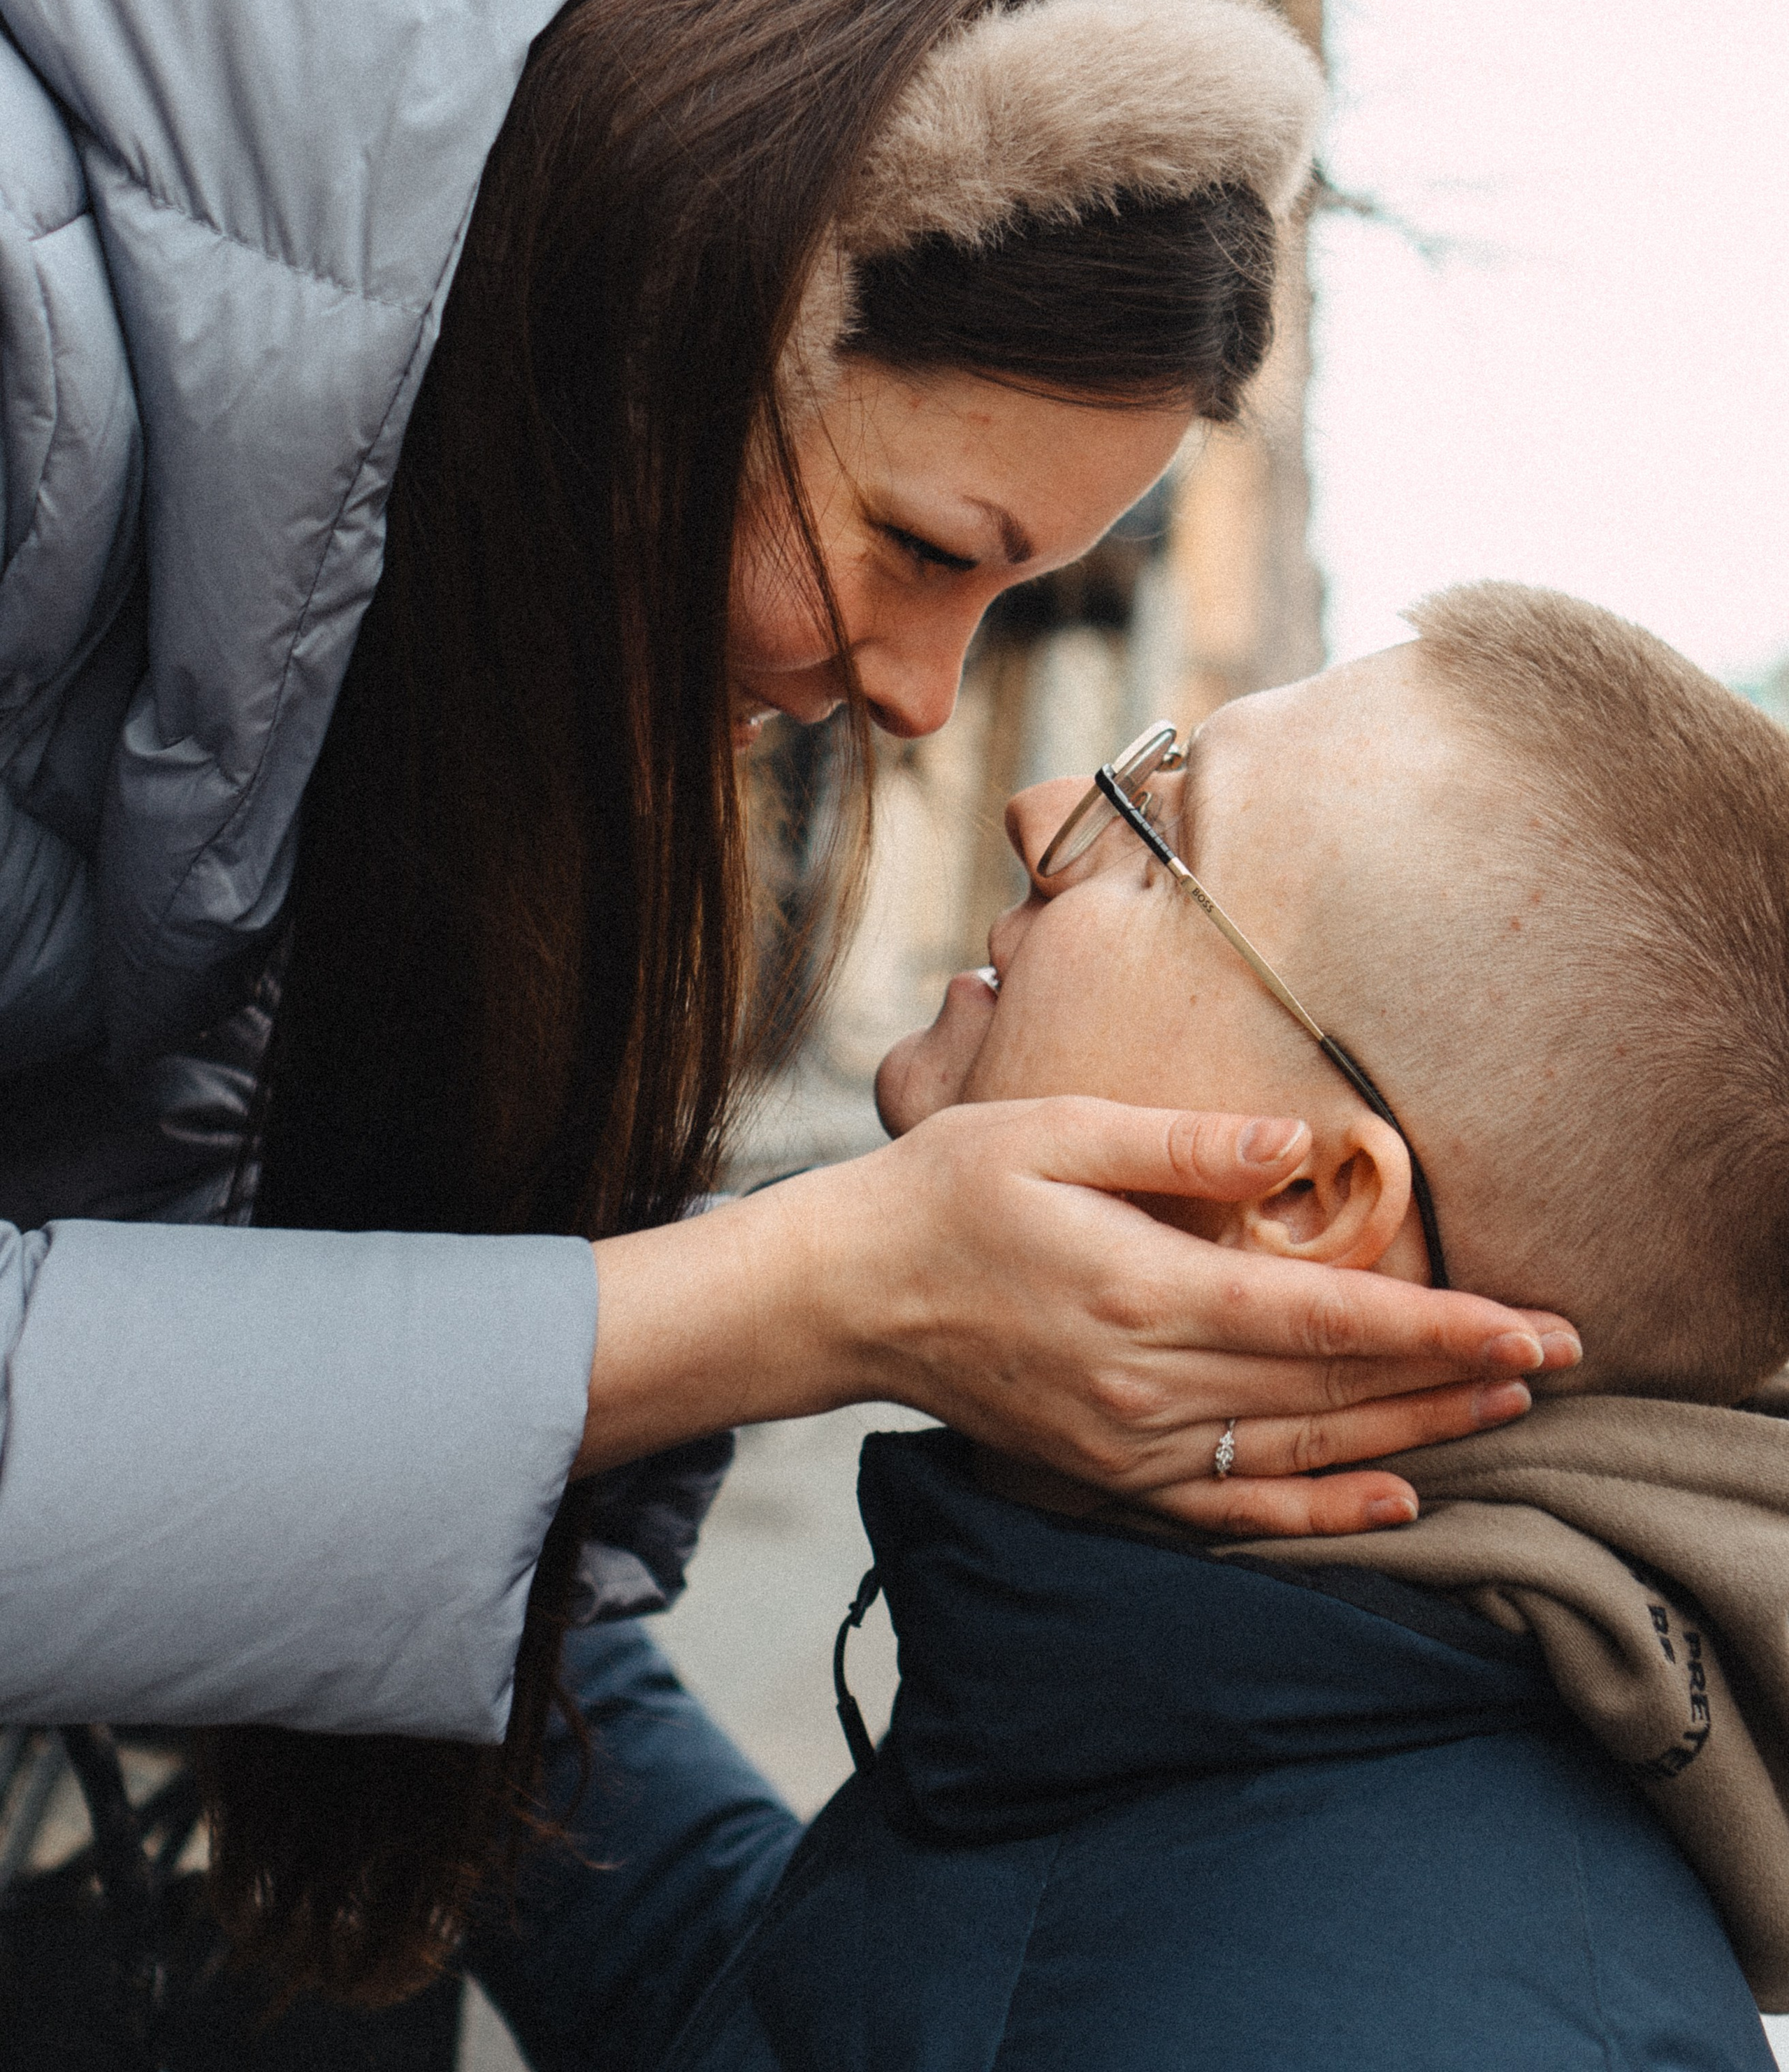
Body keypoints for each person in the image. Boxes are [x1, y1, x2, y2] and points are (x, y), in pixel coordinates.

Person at [0, 0, 1577, 2016]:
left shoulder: (398, 500)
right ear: (698, 281)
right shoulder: (47, 325)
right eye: (923, 550)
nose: (948, 720)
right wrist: (811, 1291)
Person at [665, 584, 1789, 2072]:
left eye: (1159, 836)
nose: (1039, 802)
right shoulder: (1230, 1698)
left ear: (1303, 1196)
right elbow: (847, 2000)